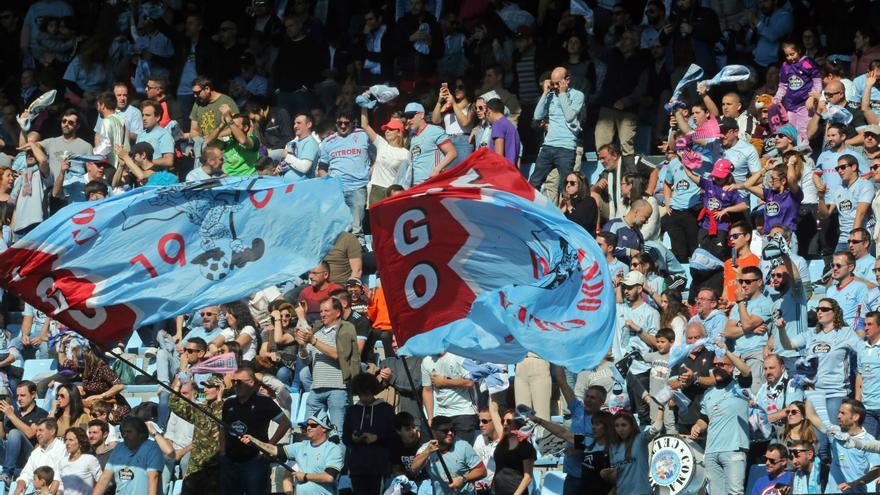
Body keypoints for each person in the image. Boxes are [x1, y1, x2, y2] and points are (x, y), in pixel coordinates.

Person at [777, 298, 862, 440]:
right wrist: (781, 330)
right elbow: (788, 345)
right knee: (819, 442)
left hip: (836, 392)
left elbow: (862, 350)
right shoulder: (811, 333)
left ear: (835, 313)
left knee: (834, 438)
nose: (819, 312)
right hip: (815, 393)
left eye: (824, 309)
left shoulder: (846, 333)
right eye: (818, 309)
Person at [689, 342, 753, 495]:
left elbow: (746, 370)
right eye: (716, 364)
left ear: (731, 368)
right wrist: (697, 426)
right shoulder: (708, 394)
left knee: (735, 492)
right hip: (711, 451)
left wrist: (727, 352)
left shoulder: (739, 387)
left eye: (723, 364)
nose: (718, 367)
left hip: (733, 449)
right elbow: (704, 419)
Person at [219, 367, 290, 495]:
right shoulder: (229, 403)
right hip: (231, 461)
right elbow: (223, 427)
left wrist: (268, 446)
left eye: (239, 382)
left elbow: (285, 423)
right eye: (233, 381)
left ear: (251, 383)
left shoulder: (264, 402)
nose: (235, 385)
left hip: (254, 460)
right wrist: (223, 451)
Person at [242, 410, 343, 495]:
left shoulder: (333, 449)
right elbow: (273, 449)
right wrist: (254, 440)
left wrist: (305, 476)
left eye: (313, 425)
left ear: (324, 428)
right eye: (307, 425)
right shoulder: (300, 446)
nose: (308, 428)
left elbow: (329, 477)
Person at [298, 297, 360, 433]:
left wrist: (313, 341)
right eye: (321, 311)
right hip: (316, 388)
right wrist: (302, 347)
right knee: (310, 432)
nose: (322, 314)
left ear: (337, 312)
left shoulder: (346, 328)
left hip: (338, 388)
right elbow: (305, 360)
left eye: (326, 310)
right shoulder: (316, 332)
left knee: (337, 433)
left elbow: (340, 354)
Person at [552, 368, 607, 495]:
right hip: (572, 478)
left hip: (592, 479)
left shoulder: (604, 421)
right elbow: (561, 381)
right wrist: (557, 357)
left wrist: (578, 449)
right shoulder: (577, 408)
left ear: (601, 402)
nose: (588, 399)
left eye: (593, 398)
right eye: (587, 396)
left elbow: (599, 446)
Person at [317, 110, 370, 238]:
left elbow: (376, 157)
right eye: (339, 123)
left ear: (352, 123)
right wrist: (330, 183)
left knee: (357, 228)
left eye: (346, 123)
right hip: (337, 190)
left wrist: (369, 175)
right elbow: (322, 168)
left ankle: (359, 251)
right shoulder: (328, 142)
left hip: (357, 187)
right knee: (340, 228)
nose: (343, 126)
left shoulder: (363, 135)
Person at [722, 266, 773, 392]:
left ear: (759, 282)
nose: (744, 285)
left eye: (748, 282)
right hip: (738, 357)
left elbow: (747, 324)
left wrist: (739, 302)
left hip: (755, 356)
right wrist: (750, 329)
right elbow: (728, 332)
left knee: (754, 398)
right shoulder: (740, 305)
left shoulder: (765, 302)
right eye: (741, 282)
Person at [342, 373, 395, 495]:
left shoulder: (386, 409)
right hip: (357, 467)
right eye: (361, 394)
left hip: (378, 466)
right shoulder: (352, 411)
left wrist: (376, 438)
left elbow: (394, 436)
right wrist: (353, 438)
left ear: (373, 391)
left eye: (367, 393)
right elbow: (345, 437)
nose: (364, 398)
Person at [410, 415, 487, 495]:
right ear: (433, 432)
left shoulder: (463, 446)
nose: (450, 433)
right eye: (445, 431)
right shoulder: (426, 449)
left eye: (452, 430)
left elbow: (482, 471)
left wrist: (463, 479)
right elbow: (414, 469)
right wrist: (428, 452)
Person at [91, 417, 164, 495]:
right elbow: (104, 479)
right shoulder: (119, 448)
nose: (125, 435)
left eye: (129, 432)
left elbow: (153, 478)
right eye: (123, 432)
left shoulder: (151, 447)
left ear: (140, 433)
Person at [818, 154, 874, 252]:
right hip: (843, 239)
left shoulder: (865, 185)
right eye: (837, 168)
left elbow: (860, 214)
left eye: (843, 167)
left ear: (854, 167)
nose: (839, 171)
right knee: (836, 266)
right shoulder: (838, 189)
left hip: (861, 239)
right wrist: (821, 198)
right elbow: (825, 215)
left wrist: (853, 240)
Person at [421, 352, 478, 443]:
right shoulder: (426, 361)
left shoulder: (459, 355)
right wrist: (430, 418)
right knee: (443, 451)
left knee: (462, 449)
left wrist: (444, 382)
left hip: (463, 411)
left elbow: (470, 382)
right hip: (441, 413)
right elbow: (427, 390)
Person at [398, 102, 457, 186]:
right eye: (407, 117)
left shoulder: (434, 130)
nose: (408, 120)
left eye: (411, 116)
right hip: (414, 185)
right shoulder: (413, 136)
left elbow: (452, 153)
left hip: (431, 183)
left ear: (422, 115)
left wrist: (437, 169)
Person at [0, 381, 47, 484]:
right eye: (17, 396)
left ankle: (7, 473)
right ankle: (7, 470)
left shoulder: (41, 414)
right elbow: (2, 436)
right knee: (12, 434)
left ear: (33, 394)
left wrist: (11, 416)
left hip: (27, 456)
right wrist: (1, 417)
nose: (19, 398)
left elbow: (31, 433)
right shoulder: (15, 412)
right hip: (9, 455)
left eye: (23, 395)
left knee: (14, 433)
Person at [360, 109, 409, 204]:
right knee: (376, 219)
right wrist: (364, 107)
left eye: (391, 129)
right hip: (376, 191)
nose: (387, 131)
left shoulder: (406, 154)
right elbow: (364, 125)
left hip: (394, 192)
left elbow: (406, 178)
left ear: (399, 132)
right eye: (386, 129)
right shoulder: (381, 144)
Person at [12, 418, 64, 495]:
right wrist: (20, 484)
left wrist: (49, 493)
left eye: (41, 430)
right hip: (38, 492)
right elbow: (26, 473)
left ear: (52, 431)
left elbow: (59, 476)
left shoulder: (63, 449)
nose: (37, 434)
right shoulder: (35, 453)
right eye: (36, 431)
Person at [490, 410, 536, 495]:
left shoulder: (526, 447)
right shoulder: (502, 440)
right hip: (496, 491)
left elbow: (528, 477)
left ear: (518, 423)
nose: (504, 423)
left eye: (509, 421)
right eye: (503, 421)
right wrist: (492, 397)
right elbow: (494, 412)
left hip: (515, 492)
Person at [204, 108, 259, 177]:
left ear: (245, 128)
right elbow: (208, 142)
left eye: (236, 126)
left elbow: (243, 141)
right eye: (231, 126)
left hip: (246, 179)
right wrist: (222, 124)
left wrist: (228, 119)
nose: (232, 128)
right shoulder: (228, 140)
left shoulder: (253, 139)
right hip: (227, 178)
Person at [431, 80, 474, 167]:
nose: (457, 90)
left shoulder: (471, 105)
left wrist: (454, 103)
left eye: (460, 87)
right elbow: (435, 120)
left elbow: (465, 122)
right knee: (447, 173)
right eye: (455, 87)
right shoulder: (449, 105)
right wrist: (440, 100)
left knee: (461, 174)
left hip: (463, 141)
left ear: (467, 88)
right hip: (447, 142)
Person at [188, 76, 239, 144]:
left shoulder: (227, 102)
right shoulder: (197, 103)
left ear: (207, 89)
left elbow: (237, 126)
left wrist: (212, 137)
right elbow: (194, 130)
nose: (195, 96)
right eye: (193, 93)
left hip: (225, 146)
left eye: (197, 93)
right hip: (205, 147)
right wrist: (198, 143)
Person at [601, 199, 652, 265]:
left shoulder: (639, 235)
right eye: (646, 217)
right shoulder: (614, 225)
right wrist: (628, 252)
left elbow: (641, 256)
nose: (647, 222)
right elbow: (603, 248)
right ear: (636, 212)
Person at [827, 251, 871, 327]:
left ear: (850, 267)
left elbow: (863, 316)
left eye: (838, 265)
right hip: (832, 333)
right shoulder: (830, 290)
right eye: (832, 265)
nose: (834, 268)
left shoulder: (860, 287)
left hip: (850, 334)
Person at [59, 427, 101, 495]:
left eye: (71, 440)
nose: (67, 443)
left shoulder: (90, 459)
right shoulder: (62, 462)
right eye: (66, 440)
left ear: (80, 442)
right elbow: (61, 486)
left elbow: (101, 482)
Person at [858, 311, 880, 438]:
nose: (866, 328)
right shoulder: (862, 348)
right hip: (867, 408)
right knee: (869, 448)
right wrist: (857, 402)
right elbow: (860, 376)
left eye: (870, 324)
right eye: (865, 324)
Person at [279, 113, 320, 181]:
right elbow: (287, 164)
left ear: (309, 124)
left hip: (302, 186)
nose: (295, 126)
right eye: (294, 123)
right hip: (285, 182)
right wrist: (281, 167)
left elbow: (304, 168)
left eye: (299, 123)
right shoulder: (292, 143)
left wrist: (287, 156)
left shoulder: (311, 143)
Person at [135, 99, 174, 168]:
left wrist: (147, 162)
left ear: (157, 117)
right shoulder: (141, 135)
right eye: (143, 115)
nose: (144, 118)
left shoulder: (164, 135)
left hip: (156, 175)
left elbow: (169, 161)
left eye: (147, 115)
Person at [559, 171, 597, 236]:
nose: (568, 185)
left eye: (572, 183)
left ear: (581, 184)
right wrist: (561, 212)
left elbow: (579, 225)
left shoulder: (588, 201)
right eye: (566, 182)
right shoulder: (565, 201)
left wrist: (569, 207)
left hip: (583, 241)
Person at [486, 98, 520, 166]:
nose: (486, 116)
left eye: (485, 112)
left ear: (489, 111)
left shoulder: (497, 124)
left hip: (502, 172)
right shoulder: (510, 125)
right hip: (511, 171)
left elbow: (499, 157)